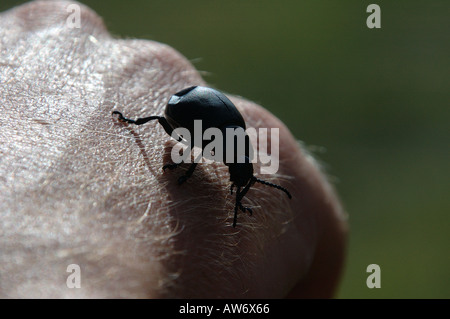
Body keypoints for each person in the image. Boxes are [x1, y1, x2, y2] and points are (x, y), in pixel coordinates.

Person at [0, 0, 347, 298]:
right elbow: (196, 147)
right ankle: (134, 122)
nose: (239, 186)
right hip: (178, 109)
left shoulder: (235, 144)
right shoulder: (232, 145)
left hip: (194, 107)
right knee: (177, 136)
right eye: (242, 181)